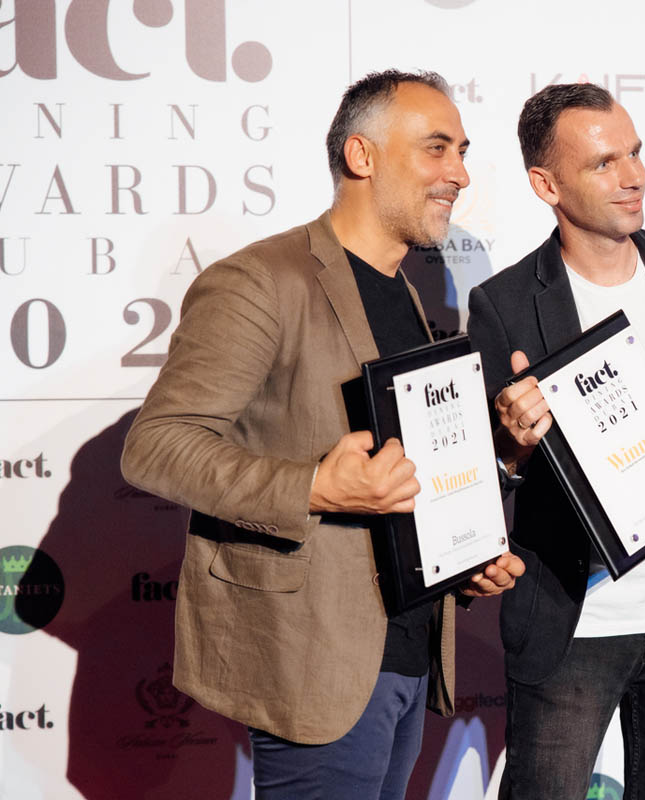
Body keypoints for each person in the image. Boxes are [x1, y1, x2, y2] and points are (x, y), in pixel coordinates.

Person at [120, 70, 524, 799]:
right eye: (436, 149)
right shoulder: (261, 281)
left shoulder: (412, 297)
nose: (460, 175)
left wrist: (461, 560)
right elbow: (158, 444)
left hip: (407, 653)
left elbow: (396, 477)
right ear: (361, 155)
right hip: (315, 658)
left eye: (461, 152)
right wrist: (313, 486)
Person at [466, 83, 645, 799]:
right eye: (604, 163)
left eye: (634, 153)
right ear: (547, 185)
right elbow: (484, 473)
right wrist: (512, 445)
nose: (634, 176)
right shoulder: (503, 304)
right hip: (574, 619)